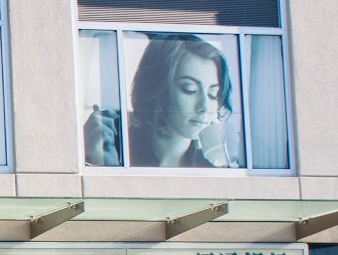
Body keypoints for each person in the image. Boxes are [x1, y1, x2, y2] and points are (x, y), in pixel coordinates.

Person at [83, 34, 237, 169]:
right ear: (158, 89)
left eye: (213, 94)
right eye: (189, 90)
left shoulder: (213, 171)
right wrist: (102, 165)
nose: (204, 107)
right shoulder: (114, 150)